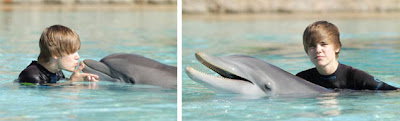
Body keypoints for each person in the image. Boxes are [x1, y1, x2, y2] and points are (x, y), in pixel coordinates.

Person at [296, 21, 397, 90]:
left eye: (324, 44)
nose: (318, 50)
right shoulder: (301, 80)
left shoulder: (356, 78)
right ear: (307, 51)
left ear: (337, 47)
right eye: (312, 46)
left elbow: (393, 93)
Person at [18, 25, 99, 86]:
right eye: (72, 52)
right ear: (55, 54)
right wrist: (71, 83)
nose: (78, 57)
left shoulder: (57, 72)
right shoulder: (31, 75)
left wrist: (80, 80)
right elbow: (41, 95)